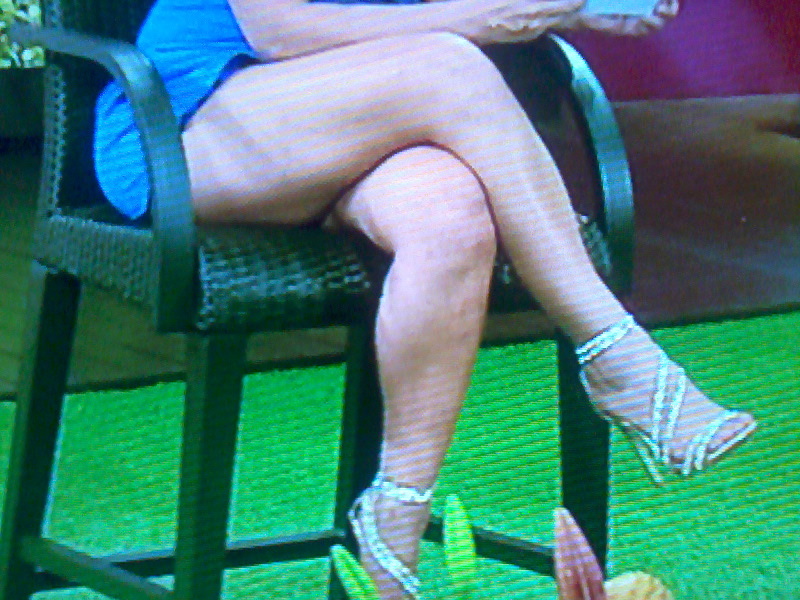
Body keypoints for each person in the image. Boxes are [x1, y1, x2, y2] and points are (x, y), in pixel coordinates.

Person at [93, 1, 757, 598]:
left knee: (454, 220)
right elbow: (281, 32)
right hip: (194, 125)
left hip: (351, 123)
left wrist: (572, 9)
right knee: (447, 65)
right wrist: (481, 19)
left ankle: (394, 523)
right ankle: (615, 353)